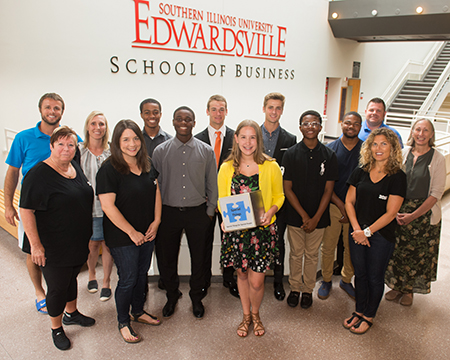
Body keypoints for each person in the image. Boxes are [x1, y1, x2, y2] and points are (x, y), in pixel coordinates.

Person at [19, 126, 95, 351]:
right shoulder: (39, 174)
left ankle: (71, 313)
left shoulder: (74, 165)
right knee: (57, 287)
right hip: (52, 244)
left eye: (70, 144)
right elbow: (26, 210)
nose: (66, 148)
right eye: (60, 144)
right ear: (51, 146)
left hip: (76, 240)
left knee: (71, 279)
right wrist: (36, 245)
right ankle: (57, 328)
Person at [4, 92, 71, 314]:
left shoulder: (71, 138)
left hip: (61, 209)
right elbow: (13, 172)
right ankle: (39, 292)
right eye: (48, 107)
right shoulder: (24, 138)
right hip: (31, 207)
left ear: (62, 111)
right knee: (33, 250)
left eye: (56, 108)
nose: (52, 112)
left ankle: (60, 291)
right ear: (40, 110)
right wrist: (9, 205)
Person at [96, 120, 162, 343]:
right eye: (125, 139)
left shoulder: (147, 163)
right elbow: (108, 206)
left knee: (142, 274)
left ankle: (138, 311)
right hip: (122, 236)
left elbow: (156, 192)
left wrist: (157, 220)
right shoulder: (109, 169)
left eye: (135, 138)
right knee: (128, 278)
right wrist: (132, 232)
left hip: (147, 232)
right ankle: (123, 321)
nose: (132, 143)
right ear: (117, 142)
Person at [218, 120, 284, 337]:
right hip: (237, 232)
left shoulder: (271, 166)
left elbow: (279, 196)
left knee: (257, 281)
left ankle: (256, 313)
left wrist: (272, 211)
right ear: (236, 139)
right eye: (243, 137)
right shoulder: (227, 168)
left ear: (259, 140)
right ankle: (246, 316)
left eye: (252, 137)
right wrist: (224, 218)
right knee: (242, 274)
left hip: (262, 232)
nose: (248, 142)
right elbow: (222, 200)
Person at [152, 106, 218, 319]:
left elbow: (212, 184)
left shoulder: (206, 151)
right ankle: (172, 295)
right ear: (172, 121)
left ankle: (197, 297)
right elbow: (156, 186)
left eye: (187, 119)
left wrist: (209, 212)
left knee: (200, 258)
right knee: (166, 258)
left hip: (198, 213)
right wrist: (157, 216)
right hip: (168, 213)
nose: (183, 122)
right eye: (179, 118)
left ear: (194, 122)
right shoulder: (160, 151)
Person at [343, 128, 406, 335]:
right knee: (360, 274)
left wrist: (367, 233)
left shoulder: (398, 177)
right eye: (375, 144)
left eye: (384, 144)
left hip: (381, 236)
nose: (378, 148)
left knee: (374, 277)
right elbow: (349, 202)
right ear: (369, 147)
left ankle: (369, 316)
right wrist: (357, 229)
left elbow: (391, 213)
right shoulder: (360, 171)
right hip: (357, 232)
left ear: (393, 148)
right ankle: (359, 311)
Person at [385, 119, 446, 306]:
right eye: (418, 129)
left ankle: (409, 290)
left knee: (416, 254)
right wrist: (393, 211)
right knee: (397, 251)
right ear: (412, 132)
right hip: (398, 209)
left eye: (425, 130)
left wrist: (413, 215)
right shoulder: (402, 154)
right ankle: (396, 286)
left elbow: (436, 194)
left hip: (423, 215)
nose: (421, 133)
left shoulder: (438, 158)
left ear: (432, 134)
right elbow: (391, 182)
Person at [282, 110, 338, 309]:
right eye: (306, 123)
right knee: (296, 253)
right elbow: (287, 188)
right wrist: (304, 215)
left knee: (313, 255)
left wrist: (315, 218)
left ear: (320, 127)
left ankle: (308, 291)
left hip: (319, 217)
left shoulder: (329, 155)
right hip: (295, 214)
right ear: (300, 127)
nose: (311, 127)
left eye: (315, 123)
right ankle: (295, 289)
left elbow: (328, 190)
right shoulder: (290, 154)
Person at [195, 94, 238, 298]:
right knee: (203, 241)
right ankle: (203, 281)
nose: (218, 113)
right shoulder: (197, 139)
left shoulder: (236, 138)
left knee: (229, 241)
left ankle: (230, 279)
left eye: (222, 109)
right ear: (207, 111)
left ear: (226, 112)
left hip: (230, 201)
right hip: (205, 201)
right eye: (214, 109)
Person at [318, 112, 363, 300]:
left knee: (351, 247)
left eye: (355, 124)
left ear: (360, 127)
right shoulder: (330, 149)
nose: (351, 126)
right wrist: (341, 205)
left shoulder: (366, 150)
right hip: (334, 205)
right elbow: (325, 183)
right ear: (341, 124)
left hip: (357, 208)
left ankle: (346, 279)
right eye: (347, 123)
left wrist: (350, 207)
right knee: (328, 246)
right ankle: (326, 280)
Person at [260, 92, 297, 301]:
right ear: (264, 108)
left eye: (278, 108)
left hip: (278, 201)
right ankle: (253, 282)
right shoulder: (252, 134)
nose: (274, 112)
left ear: (282, 111)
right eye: (270, 107)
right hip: (254, 199)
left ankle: (277, 283)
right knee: (254, 241)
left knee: (278, 244)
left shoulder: (290, 139)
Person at [78, 111, 113, 301]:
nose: (97, 128)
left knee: (108, 246)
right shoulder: (79, 151)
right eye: (94, 123)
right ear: (87, 126)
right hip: (86, 208)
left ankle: (106, 282)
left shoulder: (112, 152)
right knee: (92, 245)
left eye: (101, 124)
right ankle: (92, 275)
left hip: (109, 208)